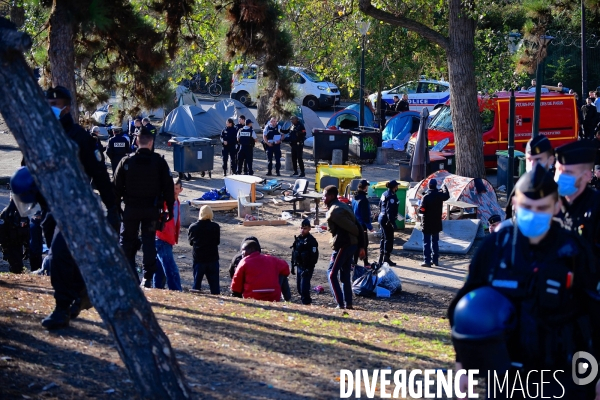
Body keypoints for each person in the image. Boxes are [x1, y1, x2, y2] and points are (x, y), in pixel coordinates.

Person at [448, 164, 599, 399]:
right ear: (515, 204)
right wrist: (463, 365)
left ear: (557, 206)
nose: (533, 213)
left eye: (542, 208)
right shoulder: (495, 248)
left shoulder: (574, 251)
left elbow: (594, 314)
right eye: (527, 207)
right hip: (507, 373)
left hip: (562, 374)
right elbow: (466, 307)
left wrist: (595, 375)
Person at [40, 86, 120, 330]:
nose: (53, 107)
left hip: (78, 208)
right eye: (49, 102)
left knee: (58, 255)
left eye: (57, 103)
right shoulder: (41, 137)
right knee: (67, 258)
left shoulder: (81, 138)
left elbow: (100, 176)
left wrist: (114, 211)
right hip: (53, 210)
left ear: (67, 107)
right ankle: (83, 292)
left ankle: (62, 308)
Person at [114, 126, 174, 287]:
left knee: (126, 240)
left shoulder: (126, 162)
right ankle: (147, 277)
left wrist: (117, 208)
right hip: (151, 209)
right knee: (148, 242)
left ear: (136, 141)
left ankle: (127, 273)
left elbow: (116, 188)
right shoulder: (159, 162)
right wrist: (170, 209)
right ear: (151, 142)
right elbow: (168, 187)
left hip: (131, 209)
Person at [323, 185, 360, 310]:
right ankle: (348, 304)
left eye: (325, 195)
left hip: (344, 244)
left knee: (332, 274)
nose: (323, 198)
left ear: (332, 196)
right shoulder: (341, 206)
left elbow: (353, 228)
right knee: (344, 276)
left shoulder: (335, 211)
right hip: (349, 245)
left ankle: (340, 304)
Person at [505, 135, 554, 219]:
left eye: (538, 159)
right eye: (529, 160)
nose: (532, 164)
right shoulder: (520, 186)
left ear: (550, 160)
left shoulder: (556, 187)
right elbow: (510, 216)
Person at [153, 178, 183, 291]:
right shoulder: (164, 201)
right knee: (171, 269)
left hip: (168, 239)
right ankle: (177, 292)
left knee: (160, 270)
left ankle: (157, 290)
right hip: (161, 238)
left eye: (176, 188)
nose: (174, 191)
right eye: (172, 188)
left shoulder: (178, 202)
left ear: (181, 190)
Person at [188, 205, 221, 294]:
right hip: (212, 259)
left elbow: (191, 242)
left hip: (199, 259)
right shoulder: (215, 226)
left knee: (196, 285)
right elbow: (217, 242)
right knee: (215, 287)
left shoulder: (193, 227)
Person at [418, 179, 450, 267]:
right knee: (435, 242)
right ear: (436, 185)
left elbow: (422, 210)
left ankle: (427, 261)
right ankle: (435, 260)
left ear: (429, 186)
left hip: (427, 222)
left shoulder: (426, 197)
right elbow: (447, 195)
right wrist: (444, 187)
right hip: (436, 222)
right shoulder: (439, 195)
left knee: (426, 242)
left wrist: (419, 208)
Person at [290, 219, 319, 305]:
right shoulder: (298, 239)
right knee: (299, 288)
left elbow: (314, 257)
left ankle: (307, 303)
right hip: (299, 266)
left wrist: (308, 269)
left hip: (307, 267)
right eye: (301, 228)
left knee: (304, 288)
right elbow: (294, 252)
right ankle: (305, 301)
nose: (303, 230)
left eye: (305, 228)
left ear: (309, 229)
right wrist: (292, 266)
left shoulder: (312, 241)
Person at [0, 196, 29, 273]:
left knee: (19, 266)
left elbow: (27, 231)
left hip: (19, 244)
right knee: (16, 266)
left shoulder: (23, 214)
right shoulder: (6, 214)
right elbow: (2, 233)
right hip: (10, 245)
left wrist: (27, 247)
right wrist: (5, 250)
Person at [377, 180, 399, 266]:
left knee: (383, 238)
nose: (397, 187)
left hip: (382, 217)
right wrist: (393, 223)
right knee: (388, 239)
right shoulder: (391, 196)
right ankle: (386, 259)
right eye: (397, 186)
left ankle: (381, 258)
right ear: (394, 187)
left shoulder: (385, 193)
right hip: (387, 220)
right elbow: (389, 211)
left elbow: (380, 205)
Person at [352, 179, 373, 267]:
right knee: (364, 244)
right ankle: (365, 263)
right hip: (362, 226)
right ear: (365, 188)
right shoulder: (364, 200)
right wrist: (370, 227)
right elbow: (365, 216)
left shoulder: (354, 197)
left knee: (356, 244)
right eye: (367, 186)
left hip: (354, 224)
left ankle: (354, 263)